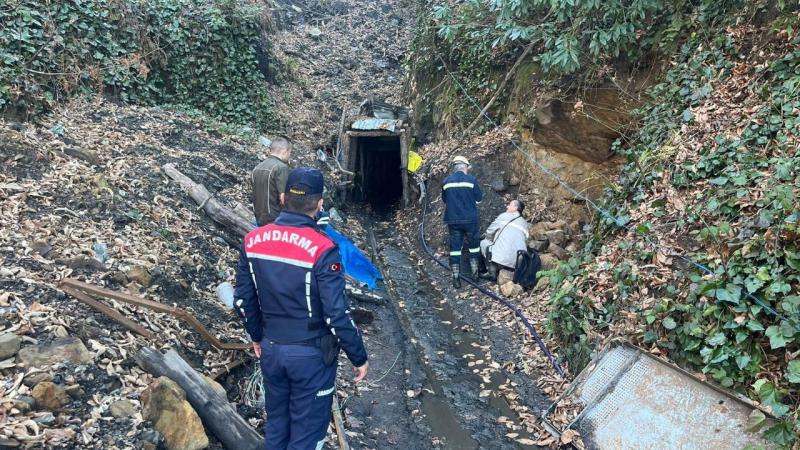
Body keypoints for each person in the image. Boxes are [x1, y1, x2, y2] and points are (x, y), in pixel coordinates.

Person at [234, 167, 369, 450]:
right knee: (307, 436)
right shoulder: (324, 248)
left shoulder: (253, 240)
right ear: (320, 204)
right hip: (311, 356)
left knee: (277, 427)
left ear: (283, 198)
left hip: (272, 348)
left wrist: (256, 335)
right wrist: (358, 355)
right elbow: (336, 313)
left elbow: (244, 300)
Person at [442, 155, 483, 288]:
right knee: (474, 246)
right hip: (470, 220)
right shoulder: (472, 180)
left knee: (455, 249)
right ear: (465, 167)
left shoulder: (446, 182)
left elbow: (445, 200)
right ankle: (475, 275)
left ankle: (455, 278)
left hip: (453, 220)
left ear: (454, 168)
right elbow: (479, 199)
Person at [479, 199, 529, 280]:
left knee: (484, 243)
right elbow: (525, 242)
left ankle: (491, 271)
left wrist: (490, 239)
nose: (507, 206)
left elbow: (489, 232)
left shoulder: (504, 216)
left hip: (501, 259)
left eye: (510, 205)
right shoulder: (525, 224)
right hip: (516, 263)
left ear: (515, 208)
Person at [252, 136, 292, 226]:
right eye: (290, 152)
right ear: (284, 151)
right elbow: (283, 198)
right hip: (275, 219)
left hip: (259, 218)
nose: (289, 155)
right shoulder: (281, 167)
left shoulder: (257, 167)